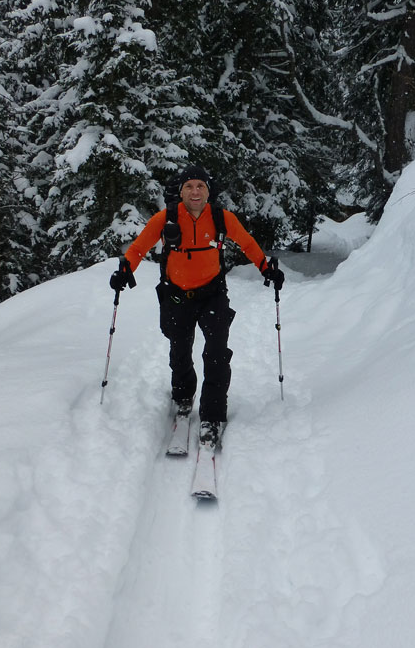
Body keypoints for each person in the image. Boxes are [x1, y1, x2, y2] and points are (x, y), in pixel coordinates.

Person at [109, 165, 284, 447]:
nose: (195, 191)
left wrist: (266, 268)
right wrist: (125, 270)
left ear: (208, 191)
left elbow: (247, 243)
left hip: (212, 294)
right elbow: (139, 247)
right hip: (176, 295)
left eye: (200, 186)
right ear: (181, 192)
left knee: (216, 353)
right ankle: (182, 396)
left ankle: (212, 416)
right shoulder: (165, 218)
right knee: (179, 350)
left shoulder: (221, 218)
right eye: (189, 186)